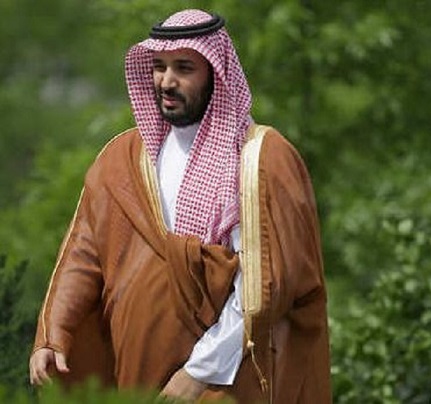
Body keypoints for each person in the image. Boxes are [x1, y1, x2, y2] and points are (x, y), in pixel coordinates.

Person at [28, 9, 331, 403]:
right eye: (159, 67)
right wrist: (54, 333)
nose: (166, 81)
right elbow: (83, 253)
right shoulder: (121, 157)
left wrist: (197, 373)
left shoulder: (261, 158)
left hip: (225, 381)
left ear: (216, 75)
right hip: (134, 378)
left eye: (184, 68)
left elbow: (266, 284)